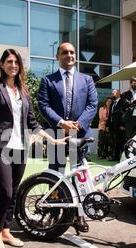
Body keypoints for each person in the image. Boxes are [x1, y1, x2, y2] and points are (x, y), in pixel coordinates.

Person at [0, 49, 68, 248]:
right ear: (2, 64)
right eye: (9, 61)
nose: (13, 65)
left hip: (20, 147)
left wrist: (51, 138)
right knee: (5, 191)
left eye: (16, 62)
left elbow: (32, 122)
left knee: (14, 192)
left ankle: (7, 230)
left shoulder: (23, 91)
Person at [37, 41, 98, 232]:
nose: (69, 55)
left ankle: (79, 215)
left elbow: (92, 105)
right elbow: (43, 105)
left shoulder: (86, 80)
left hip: (79, 135)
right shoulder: (48, 80)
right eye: (65, 53)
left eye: (72, 52)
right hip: (58, 134)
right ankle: (53, 213)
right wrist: (61, 123)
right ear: (58, 57)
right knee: (56, 175)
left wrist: (77, 124)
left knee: (78, 176)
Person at [117, 76, 136, 142]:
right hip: (129, 118)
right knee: (129, 138)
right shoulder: (124, 94)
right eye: (134, 83)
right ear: (130, 83)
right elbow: (123, 107)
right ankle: (129, 151)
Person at [107, 89, 125, 161]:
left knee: (121, 142)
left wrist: (122, 125)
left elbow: (124, 114)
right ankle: (116, 157)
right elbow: (110, 115)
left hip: (120, 126)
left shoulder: (123, 102)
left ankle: (122, 158)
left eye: (113, 93)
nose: (112, 95)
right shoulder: (112, 103)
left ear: (118, 93)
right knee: (115, 142)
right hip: (113, 126)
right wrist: (108, 125)